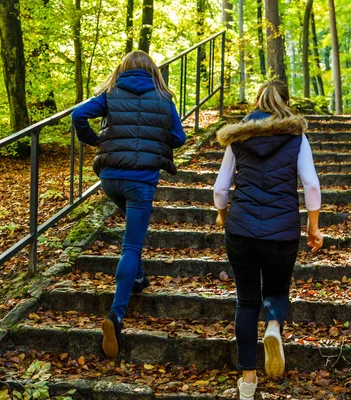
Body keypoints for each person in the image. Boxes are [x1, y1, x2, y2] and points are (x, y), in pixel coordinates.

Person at [71, 50, 186, 360]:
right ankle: (116, 316)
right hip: (141, 181)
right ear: (153, 72)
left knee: (132, 242)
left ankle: (139, 278)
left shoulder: (110, 93)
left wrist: (94, 139)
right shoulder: (163, 98)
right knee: (131, 247)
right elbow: (179, 137)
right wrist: (156, 137)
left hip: (110, 179)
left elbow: (77, 115)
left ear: (122, 69)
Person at [213, 80, 323, 400]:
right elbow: (312, 186)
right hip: (283, 231)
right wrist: (313, 227)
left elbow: (221, 189)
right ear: (286, 103)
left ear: (257, 102)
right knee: (276, 288)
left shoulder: (239, 136)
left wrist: (222, 215)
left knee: (247, 302)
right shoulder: (295, 136)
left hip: (241, 230)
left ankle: (248, 381)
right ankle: (273, 327)